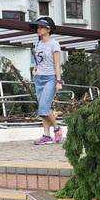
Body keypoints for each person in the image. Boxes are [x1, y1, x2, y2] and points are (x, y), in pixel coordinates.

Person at [29, 16, 64, 145]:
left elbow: (57, 63)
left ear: (48, 29)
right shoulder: (39, 43)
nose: (38, 29)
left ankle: (57, 128)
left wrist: (59, 81)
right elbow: (39, 60)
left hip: (50, 78)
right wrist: (35, 69)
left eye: (41, 27)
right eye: (38, 27)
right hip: (39, 78)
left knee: (43, 109)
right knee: (44, 108)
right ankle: (46, 135)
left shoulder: (54, 43)